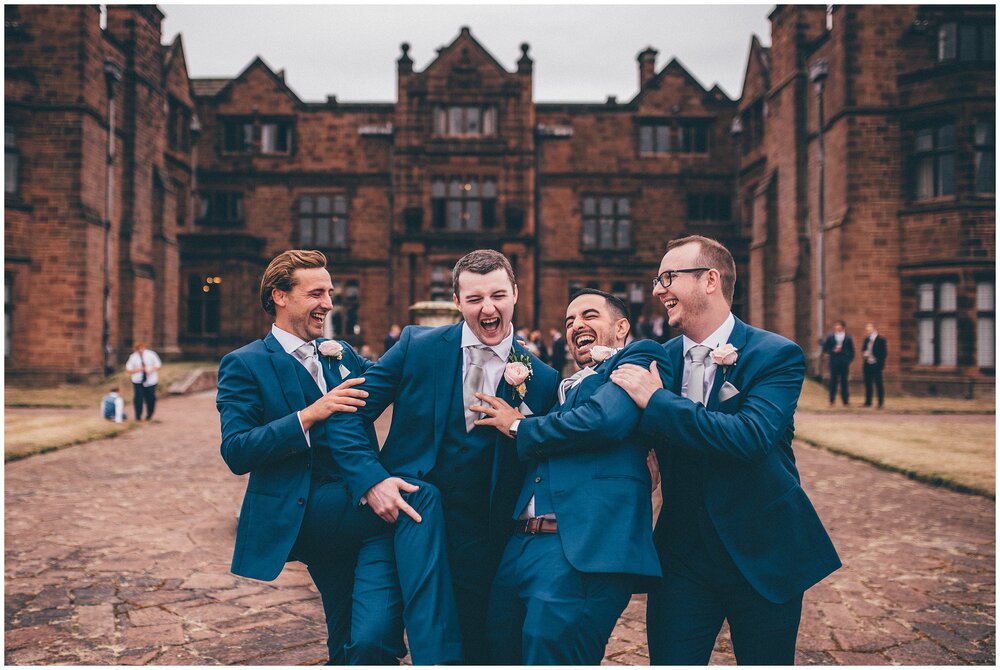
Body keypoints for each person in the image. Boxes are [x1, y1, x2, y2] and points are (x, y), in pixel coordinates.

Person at [216, 249, 461, 665]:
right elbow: (237, 450)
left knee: (356, 639)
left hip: (358, 510)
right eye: (316, 293)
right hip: (307, 510)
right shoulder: (245, 364)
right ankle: (436, 645)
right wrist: (311, 415)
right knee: (418, 499)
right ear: (280, 295)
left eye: (329, 292)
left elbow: (395, 379)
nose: (328, 303)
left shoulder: (340, 353)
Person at [610, 235, 841, 665]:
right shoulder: (658, 360)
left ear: (710, 280)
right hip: (683, 557)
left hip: (763, 551)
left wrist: (658, 402)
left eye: (668, 277)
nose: (658, 289)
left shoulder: (776, 355)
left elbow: (749, 436)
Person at [327, 249, 560, 663]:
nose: (488, 308)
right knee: (369, 637)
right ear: (456, 301)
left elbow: (551, 448)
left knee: (467, 650)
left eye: (498, 296)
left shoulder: (541, 379)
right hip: (400, 518)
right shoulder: (418, 345)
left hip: (481, 540)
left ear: (516, 294)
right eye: (474, 299)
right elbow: (348, 413)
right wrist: (371, 480)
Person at [471, 288, 670, 664]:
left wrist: (519, 427)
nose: (576, 324)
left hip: (581, 549)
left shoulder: (640, 357)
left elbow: (606, 419)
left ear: (622, 326)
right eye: (569, 321)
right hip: (521, 545)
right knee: (498, 649)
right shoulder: (559, 388)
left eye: (589, 315)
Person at [822, 320, 855, 406]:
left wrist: (847, 360)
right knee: (833, 381)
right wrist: (833, 351)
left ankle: (845, 401)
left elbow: (852, 351)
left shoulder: (848, 338)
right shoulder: (831, 337)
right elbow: (825, 349)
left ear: (843, 327)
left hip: (844, 363)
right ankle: (832, 400)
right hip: (834, 362)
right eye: (836, 327)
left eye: (839, 326)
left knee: (844, 381)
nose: (837, 328)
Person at [125, 343, 161, 421]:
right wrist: (138, 369)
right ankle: (138, 416)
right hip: (138, 381)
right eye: (138, 350)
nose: (140, 351)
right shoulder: (133, 357)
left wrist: (151, 370)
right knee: (138, 398)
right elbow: (128, 369)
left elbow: (158, 365)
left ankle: (149, 414)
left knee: (150, 398)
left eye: (141, 349)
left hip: (150, 381)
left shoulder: (151, 354)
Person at [862, 321, 888, 408]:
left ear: (874, 329)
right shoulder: (866, 339)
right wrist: (864, 354)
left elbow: (884, 353)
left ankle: (880, 403)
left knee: (878, 384)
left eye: (869, 329)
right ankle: (868, 402)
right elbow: (863, 349)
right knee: (868, 383)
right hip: (867, 364)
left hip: (876, 364)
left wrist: (880, 363)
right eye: (867, 329)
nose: (867, 330)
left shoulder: (881, 339)